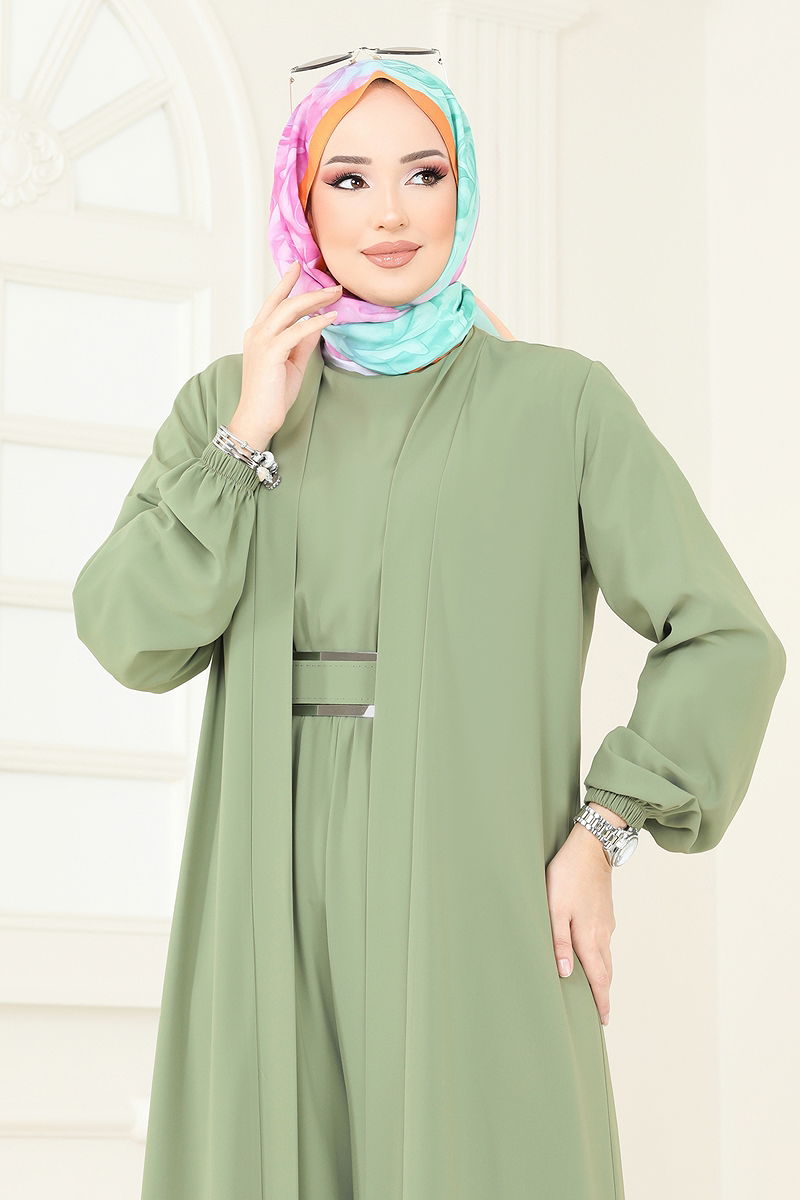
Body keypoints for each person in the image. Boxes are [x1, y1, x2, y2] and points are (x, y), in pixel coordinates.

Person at [71, 56, 786, 1200]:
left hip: (476, 882)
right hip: (265, 883)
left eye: (423, 172)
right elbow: (126, 631)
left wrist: (603, 831)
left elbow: (723, 634)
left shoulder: (555, 402)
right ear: (301, 202)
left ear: (464, 190)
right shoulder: (227, 403)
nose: (390, 213)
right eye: (348, 179)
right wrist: (248, 437)